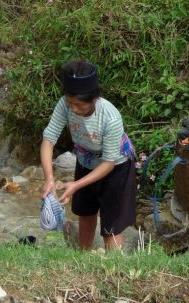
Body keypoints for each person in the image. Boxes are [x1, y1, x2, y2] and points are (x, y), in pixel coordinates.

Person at [40, 60, 136, 251]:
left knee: (111, 226)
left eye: (79, 104)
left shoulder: (110, 117)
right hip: (85, 161)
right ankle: (84, 257)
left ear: (93, 98)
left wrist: (75, 185)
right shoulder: (64, 105)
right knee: (85, 212)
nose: (74, 109)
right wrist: (49, 178)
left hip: (116, 167)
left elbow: (108, 163)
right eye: (70, 102)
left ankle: (114, 267)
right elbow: (48, 140)